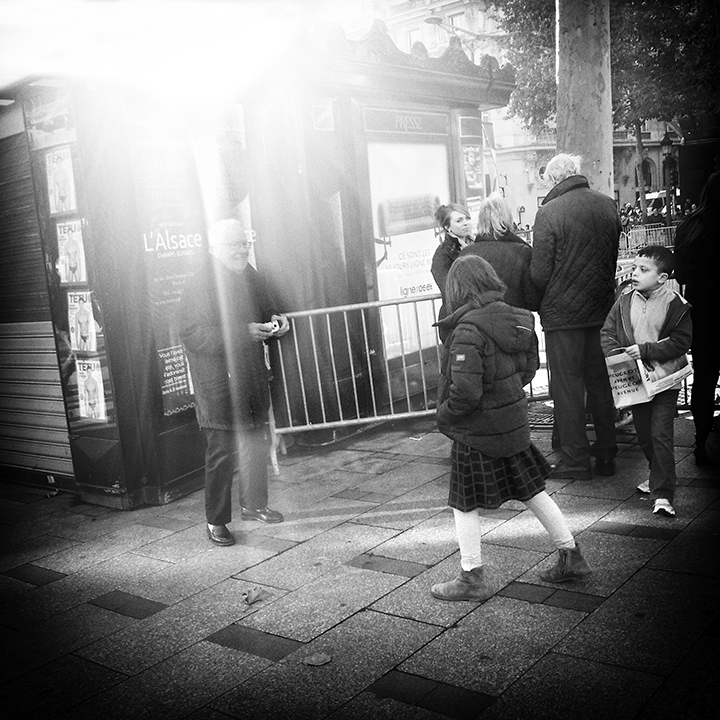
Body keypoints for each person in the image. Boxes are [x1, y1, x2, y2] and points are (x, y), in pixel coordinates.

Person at [431, 255, 591, 601]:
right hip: (512, 421)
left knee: (463, 503)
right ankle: (571, 555)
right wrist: (506, 393)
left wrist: (444, 415)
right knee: (533, 490)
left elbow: (466, 393)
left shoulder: (468, 331)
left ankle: (471, 577)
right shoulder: (518, 319)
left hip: (476, 432)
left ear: (457, 288)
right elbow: (530, 369)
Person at [178, 218, 290, 546]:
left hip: (250, 377)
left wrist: (277, 321)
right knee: (222, 452)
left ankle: (254, 505)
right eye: (235, 245)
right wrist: (243, 334)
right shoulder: (199, 284)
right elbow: (193, 335)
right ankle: (216, 521)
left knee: (255, 442)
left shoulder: (248, 274)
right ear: (215, 248)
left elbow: (269, 308)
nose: (242, 250)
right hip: (219, 384)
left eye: (245, 243)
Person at [531, 153, 620, 481]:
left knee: (568, 387)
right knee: (600, 383)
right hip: (600, 309)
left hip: (563, 316)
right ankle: (608, 454)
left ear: (553, 179)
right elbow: (610, 256)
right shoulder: (607, 204)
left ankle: (575, 460)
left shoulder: (549, 212)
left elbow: (540, 273)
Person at [601, 246, 692, 516]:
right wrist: (618, 355)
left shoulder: (676, 304)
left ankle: (663, 493)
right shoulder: (624, 300)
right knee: (644, 435)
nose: (635, 273)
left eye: (644, 269)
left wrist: (646, 351)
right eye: (635, 268)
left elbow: (682, 341)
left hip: (665, 383)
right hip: (636, 382)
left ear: (662, 278)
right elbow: (607, 333)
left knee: (660, 434)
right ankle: (657, 475)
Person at [673, 172, 720, 465]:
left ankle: (700, 442)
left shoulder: (690, 226)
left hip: (703, 312)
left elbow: (679, 274)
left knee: (704, 378)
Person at [461, 191, 541, 311]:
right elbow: (533, 301)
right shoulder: (522, 252)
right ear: (508, 217)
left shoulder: (465, 255)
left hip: (477, 324)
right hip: (515, 322)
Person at [430, 203, 475, 339]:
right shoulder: (443, 254)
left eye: (467, 218)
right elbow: (449, 289)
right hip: (457, 320)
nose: (466, 223)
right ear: (447, 227)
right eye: (459, 220)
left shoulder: (479, 243)